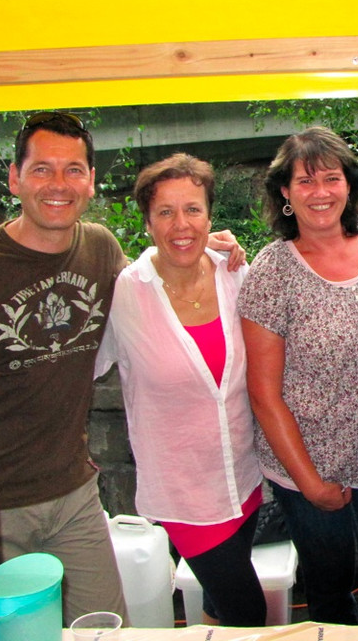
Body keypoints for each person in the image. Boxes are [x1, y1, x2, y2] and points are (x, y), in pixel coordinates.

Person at [0, 112, 243, 626]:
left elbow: (153, 283)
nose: (58, 184)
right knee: (2, 633)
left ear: (91, 181)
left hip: (73, 494)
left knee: (106, 627)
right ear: (14, 178)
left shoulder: (100, 249)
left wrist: (206, 245)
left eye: (73, 170)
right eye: (42, 169)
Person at [238, 126, 358, 624]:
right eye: (305, 181)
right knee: (329, 591)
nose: (320, 192)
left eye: (331, 178)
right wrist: (310, 483)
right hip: (308, 464)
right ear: (285, 192)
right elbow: (264, 394)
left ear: (349, 184)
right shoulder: (272, 271)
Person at [95, 153, 265, 626]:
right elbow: (75, 369)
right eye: (165, 212)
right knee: (248, 613)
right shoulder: (126, 293)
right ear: (147, 222)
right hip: (184, 494)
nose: (181, 224)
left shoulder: (235, 273)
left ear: (210, 216)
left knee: (217, 606)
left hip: (243, 476)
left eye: (192, 209)